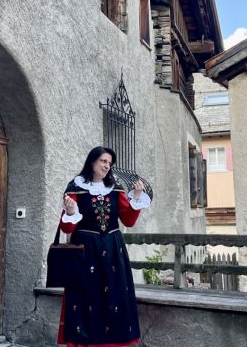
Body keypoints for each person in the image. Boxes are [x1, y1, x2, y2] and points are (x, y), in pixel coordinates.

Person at [56, 146, 151, 347]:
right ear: (92, 161)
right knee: (86, 297)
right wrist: (71, 211)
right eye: (103, 161)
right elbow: (66, 227)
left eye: (109, 163)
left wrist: (135, 197)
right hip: (85, 250)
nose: (107, 166)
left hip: (112, 251)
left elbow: (129, 220)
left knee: (114, 297)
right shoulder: (75, 187)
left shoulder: (115, 188)